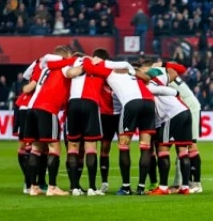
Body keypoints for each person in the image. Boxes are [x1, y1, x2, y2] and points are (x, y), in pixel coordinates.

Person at [79, 56, 155, 195]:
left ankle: (126, 187)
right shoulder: (131, 72)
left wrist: (86, 59)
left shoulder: (109, 71)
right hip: (149, 102)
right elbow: (147, 79)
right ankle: (141, 188)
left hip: (132, 103)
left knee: (124, 145)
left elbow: (89, 68)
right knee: (145, 146)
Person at [23, 47, 79, 196]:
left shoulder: (45, 69)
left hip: (33, 108)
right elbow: (72, 72)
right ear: (65, 56)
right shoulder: (63, 66)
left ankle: (33, 187)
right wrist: (83, 64)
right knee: (54, 147)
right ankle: (52, 187)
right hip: (47, 109)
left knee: (36, 148)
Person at [142, 63, 193, 195]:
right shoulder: (160, 78)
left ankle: (163, 188)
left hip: (171, 115)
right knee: (183, 151)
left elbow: (155, 90)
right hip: (185, 111)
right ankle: (185, 187)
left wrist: (174, 92)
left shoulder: (147, 85)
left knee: (163, 150)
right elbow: (175, 72)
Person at [65, 51, 107, 196]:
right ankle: (92, 188)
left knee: (73, 146)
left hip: (73, 103)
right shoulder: (102, 64)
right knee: (91, 147)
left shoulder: (75, 63)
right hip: (91, 103)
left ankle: (75, 187)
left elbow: (69, 74)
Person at [162, 61, 203, 193]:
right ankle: (180, 183)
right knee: (182, 146)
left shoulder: (162, 74)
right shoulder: (166, 72)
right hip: (183, 108)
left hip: (190, 107)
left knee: (190, 145)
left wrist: (162, 64)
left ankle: (196, 184)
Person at [14, 64, 35, 193]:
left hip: (25, 106)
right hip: (28, 108)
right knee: (30, 148)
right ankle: (30, 182)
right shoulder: (38, 76)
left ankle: (30, 182)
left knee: (26, 148)